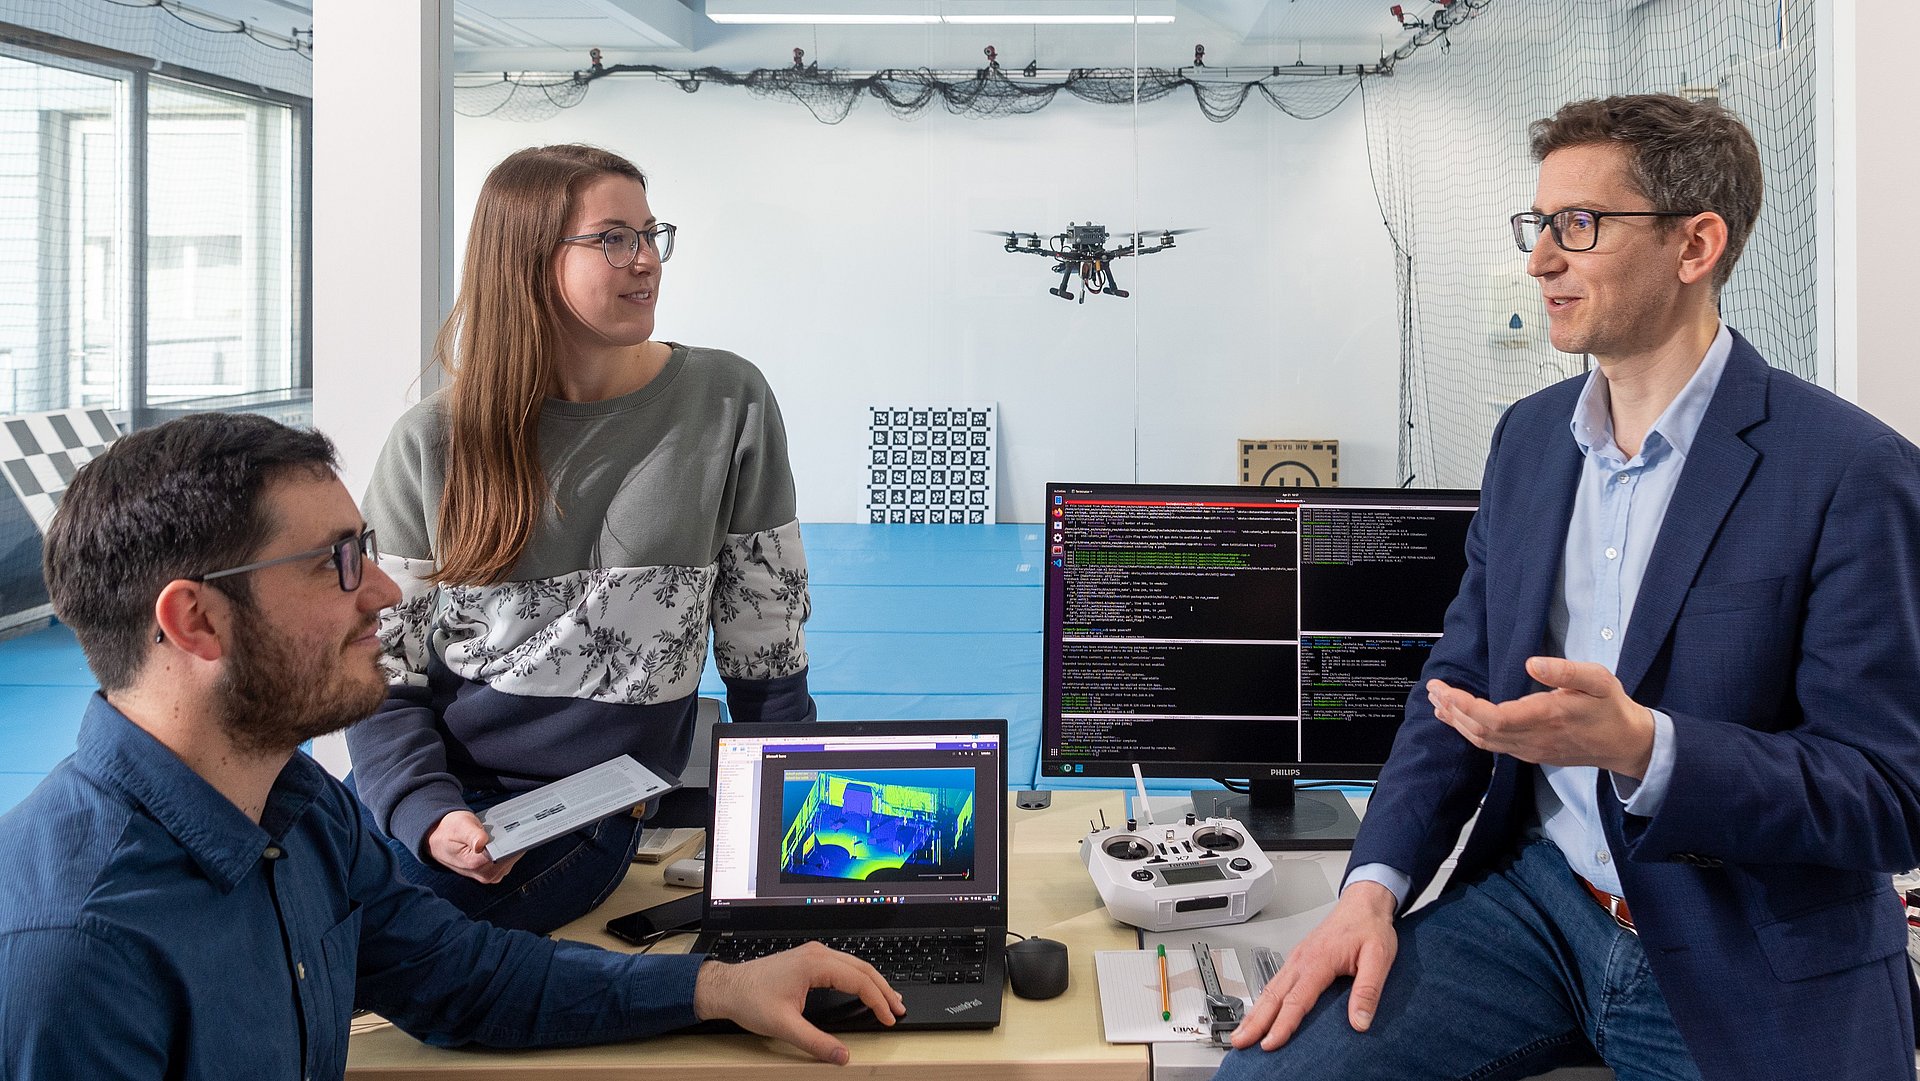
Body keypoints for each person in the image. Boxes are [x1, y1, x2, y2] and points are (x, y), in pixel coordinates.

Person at [1220, 94, 1920, 1081]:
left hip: (1743, 946)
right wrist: (1370, 888)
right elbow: (1452, 691)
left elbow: (1889, 796)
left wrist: (1647, 747)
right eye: (1537, 225)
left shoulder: (1851, 472)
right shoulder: (1530, 442)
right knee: (1267, 1073)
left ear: (1695, 245)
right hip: (1543, 909)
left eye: (1577, 226)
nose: (1541, 258)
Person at [0, 413, 899, 1078]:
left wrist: (719, 989)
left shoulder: (301, 809)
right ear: (196, 620)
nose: (386, 590)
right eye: (337, 562)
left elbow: (464, 977)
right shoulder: (77, 949)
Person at [345, 144, 816, 933]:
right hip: (454, 803)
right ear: (528, 261)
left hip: (592, 810)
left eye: (651, 233)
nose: (647, 261)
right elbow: (379, 670)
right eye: (614, 238)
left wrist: (791, 828)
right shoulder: (432, 442)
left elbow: (763, 643)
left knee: (380, 945)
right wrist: (427, 812)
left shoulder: (727, 399)